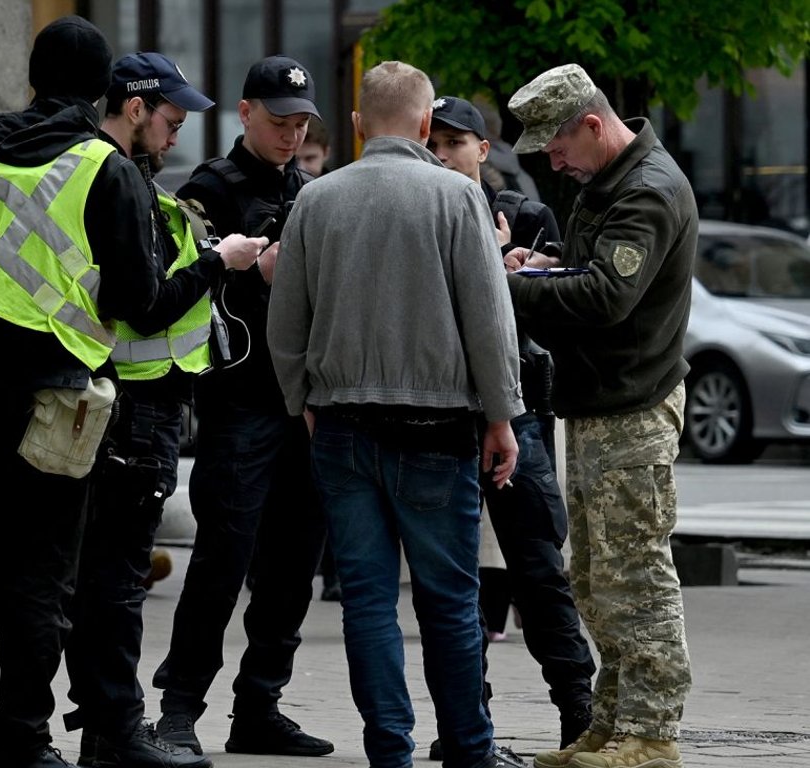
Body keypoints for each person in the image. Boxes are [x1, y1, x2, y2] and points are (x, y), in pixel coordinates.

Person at [0, 17, 162, 768]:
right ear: (105, 90)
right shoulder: (105, 167)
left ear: (33, 80)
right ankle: (23, 739)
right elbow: (139, 299)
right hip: (60, 400)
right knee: (41, 579)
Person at [267, 61, 526, 768]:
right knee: (448, 602)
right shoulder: (457, 198)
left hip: (342, 424)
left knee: (369, 602)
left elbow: (285, 325)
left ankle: (389, 749)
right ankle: (469, 749)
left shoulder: (317, 200)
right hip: (438, 427)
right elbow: (488, 320)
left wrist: (303, 401)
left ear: (355, 125)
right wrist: (502, 416)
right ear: (423, 125)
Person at [66, 52, 267, 768]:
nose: (178, 132)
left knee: (100, 577)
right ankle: (116, 734)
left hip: (125, 402)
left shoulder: (114, 172)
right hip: (134, 405)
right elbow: (146, 306)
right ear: (132, 106)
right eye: (170, 117)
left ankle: (106, 726)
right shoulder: (114, 174)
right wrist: (222, 263)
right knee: (116, 580)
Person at [503, 63, 697, 768]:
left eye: (555, 148)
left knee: (635, 577)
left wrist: (513, 286)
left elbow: (605, 299)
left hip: (631, 407)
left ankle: (650, 735)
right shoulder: (607, 181)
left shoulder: (645, 192)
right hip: (601, 402)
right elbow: (589, 275)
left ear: (592, 124)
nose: (550, 163)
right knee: (595, 576)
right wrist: (545, 265)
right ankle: (611, 725)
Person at [151, 55, 333, 760]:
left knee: (294, 564)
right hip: (240, 404)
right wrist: (251, 275)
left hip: (304, 406)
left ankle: (259, 704)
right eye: (280, 121)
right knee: (222, 560)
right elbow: (179, 296)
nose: (292, 135)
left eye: (302, 123)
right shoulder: (207, 192)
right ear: (246, 113)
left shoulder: (315, 192)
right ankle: (179, 710)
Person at [428, 95, 596, 752]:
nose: (442, 155)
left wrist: (504, 271)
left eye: (453, 143)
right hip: (439, 414)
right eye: (432, 142)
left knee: (539, 571)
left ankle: (578, 715)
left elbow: (556, 314)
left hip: (516, 413)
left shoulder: (523, 215)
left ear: (482, 148)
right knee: (454, 583)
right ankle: (466, 728)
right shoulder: (418, 215)